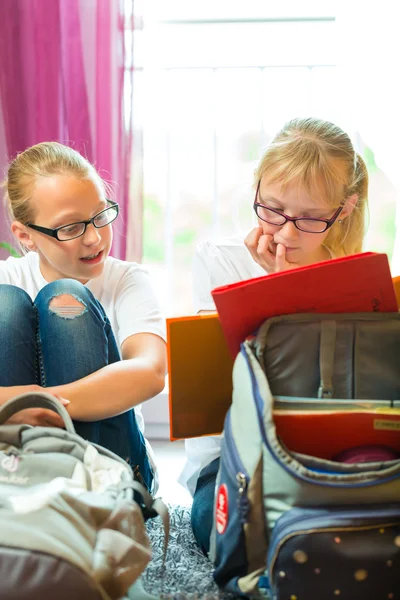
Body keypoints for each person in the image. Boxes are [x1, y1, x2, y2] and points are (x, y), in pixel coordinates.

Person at [179, 116, 369, 553]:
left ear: (345, 209)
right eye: (273, 209)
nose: (284, 231)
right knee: (225, 528)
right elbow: (225, 386)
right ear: (257, 189)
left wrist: (298, 290)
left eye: (309, 218)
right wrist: (275, 292)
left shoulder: (356, 276)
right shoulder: (219, 260)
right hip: (237, 457)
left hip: (327, 451)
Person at [0, 141, 167, 493]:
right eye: (71, 228)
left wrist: (40, 402)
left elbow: (150, 372)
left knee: (65, 299)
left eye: (100, 215)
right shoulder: (9, 280)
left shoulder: (126, 280)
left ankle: (90, 495)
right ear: (25, 236)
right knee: (6, 305)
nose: (94, 238)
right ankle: (21, 484)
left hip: (113, 463)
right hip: (18, 464)